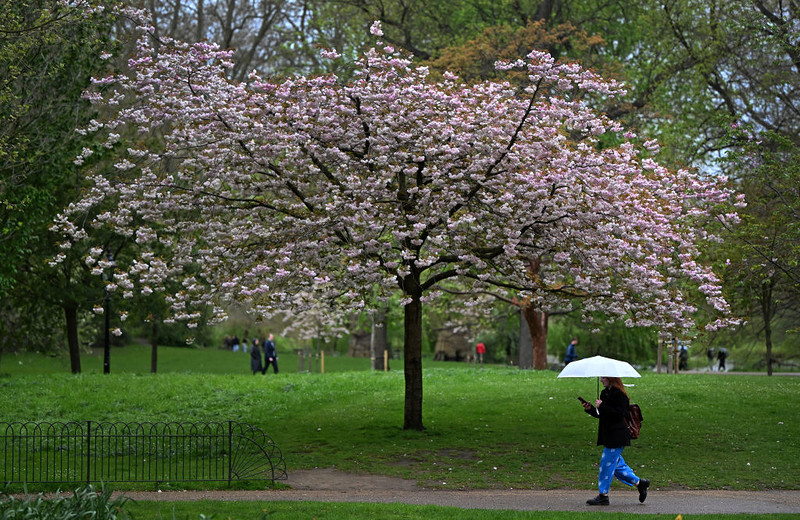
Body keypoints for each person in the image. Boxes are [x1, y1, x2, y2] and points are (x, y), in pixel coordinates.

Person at [580, 376, 649, 506]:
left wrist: (603, 406)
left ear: (611, 378)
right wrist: (590, 409)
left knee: (606, 464)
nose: (601, 380)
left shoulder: (620, 394)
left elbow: (621, 413)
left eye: (604, 378)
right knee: (617, 466)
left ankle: (603, 496)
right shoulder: (604, 393)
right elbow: (603, 414)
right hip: (608, 435)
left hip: (618, 435)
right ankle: (640, 483)